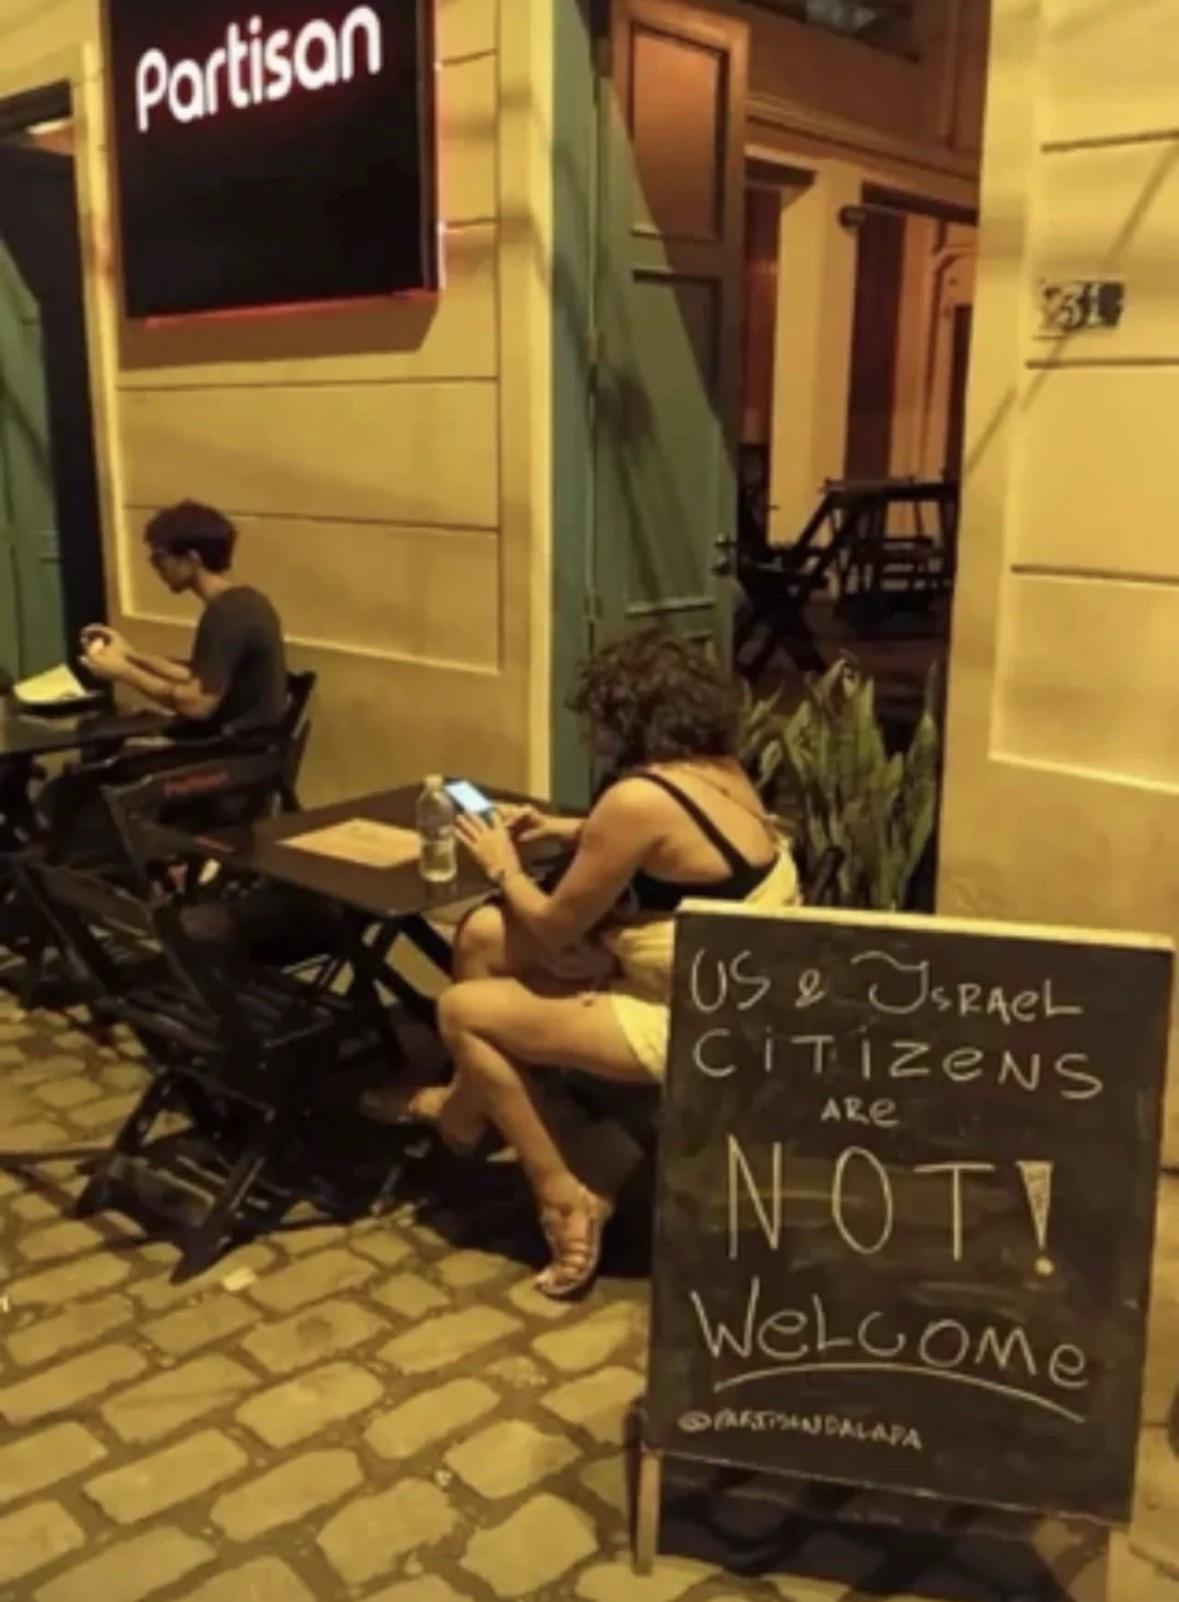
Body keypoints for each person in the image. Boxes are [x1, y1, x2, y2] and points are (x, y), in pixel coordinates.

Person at [371, 631, 801, 1298]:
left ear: (627, 719)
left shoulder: (636, 799)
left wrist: (503, 866)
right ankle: (472, 1105)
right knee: (482, 935)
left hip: (694, 1017)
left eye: (598, 719)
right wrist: (563, 829)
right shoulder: (717, 771)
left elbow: (551, 928)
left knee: (461, 1012)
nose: (592, 735)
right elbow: (679, 841)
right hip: (729, 982)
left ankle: (560, 1194)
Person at [80, 501, 286, 735]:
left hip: (237, 748)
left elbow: (197, 706)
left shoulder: (227, 615)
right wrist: (129, 655)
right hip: (246, 741)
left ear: (192, 558)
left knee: (105, 745)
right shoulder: (244, 602)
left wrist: (123, 672)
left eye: (159, 556)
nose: (155, 565)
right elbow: (197, 675)